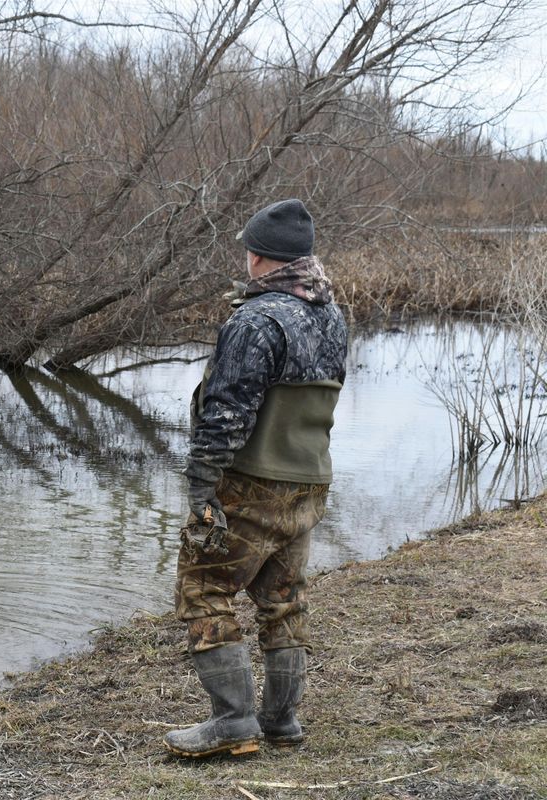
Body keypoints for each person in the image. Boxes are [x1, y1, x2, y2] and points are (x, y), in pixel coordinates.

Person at [164, 199, 348, 758]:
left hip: (252, 482)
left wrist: (201, 488)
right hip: (309, 483)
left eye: (248, 249)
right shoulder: (333, 316)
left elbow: (225, 413)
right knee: (284, 598)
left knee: (203, 590)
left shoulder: (255, 320)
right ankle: (281, 722)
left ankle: (232, 723)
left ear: (259, 258)